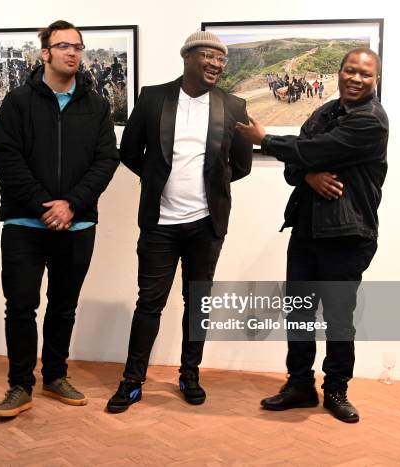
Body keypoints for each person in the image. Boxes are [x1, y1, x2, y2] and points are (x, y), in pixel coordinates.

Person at [235, 48, 387, 423]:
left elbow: (314, 149)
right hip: (306, 230)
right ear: (338, 72)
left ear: (375, 80)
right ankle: (300, 384)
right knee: (299, 313)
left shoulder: (371, 121)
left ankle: (336, 390)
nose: (356, 78)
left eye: (365, 75)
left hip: (348, 234)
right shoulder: (323, 112)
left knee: (338, 317)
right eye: (350, 70)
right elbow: (295, 167)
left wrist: (267, 141)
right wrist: (307, 174)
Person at [106, 30, 252, 413]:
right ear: (187, 56)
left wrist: (209, 186)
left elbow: (242, 165)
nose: (216, 64)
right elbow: (129, 152)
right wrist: (156, 179)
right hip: (159, 224)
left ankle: (189, 374)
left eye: (221, 59)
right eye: (209, 56)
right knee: (149, 303)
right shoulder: (153, 98)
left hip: (206, 225)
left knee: (197, 302)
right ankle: (132, 380)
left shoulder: (234, 105)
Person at [0, 20, 119, 418]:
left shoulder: (97, 106)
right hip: (25, 226)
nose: (72, 53)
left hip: (77, 225)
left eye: (78, 46)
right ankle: (19, 385)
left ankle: (56, 376)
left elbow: (105, 160)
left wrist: (72, 205)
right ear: (44, 52)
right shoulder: (17, 101)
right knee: (21, 307)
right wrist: (46, 205)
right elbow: (6, 160)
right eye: (63, 46)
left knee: (64, 307)